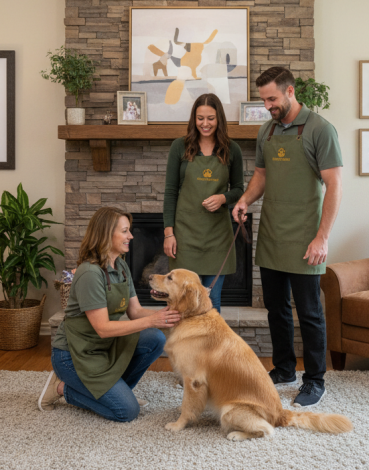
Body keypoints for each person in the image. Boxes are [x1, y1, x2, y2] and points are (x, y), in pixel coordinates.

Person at [232, 66, 343, 407]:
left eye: (272, 98)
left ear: (290, 91)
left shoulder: (320, 129)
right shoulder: (266, 131)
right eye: (264, 99)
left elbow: (335, 185)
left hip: (306, 239)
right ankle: (283, 369)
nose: (268, 105)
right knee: (275, 308)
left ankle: (314, 380)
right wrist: (244, 200)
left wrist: (322, 238)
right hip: (271, 235)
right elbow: (262, 175)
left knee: (308, 312)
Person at [38, 207, 181, 421]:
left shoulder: (121, 265)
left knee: (155, 338)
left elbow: (135, 312)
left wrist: (164, 315)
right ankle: (61, 388)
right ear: (106, 234)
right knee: (127, 411)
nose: (131, 236)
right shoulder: (90, 273)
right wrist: (152, 321)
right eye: (125, 231)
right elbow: (103, 329)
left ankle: (116, 391)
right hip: (74, 356)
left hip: (104, 348)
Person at [163, 93, 245, 312]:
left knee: (211, 302)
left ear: (219, 119)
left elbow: (239, 190)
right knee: (182, 302)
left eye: (211, 118)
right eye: (200, 118)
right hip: (185, 237)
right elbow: (170, 192)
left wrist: (223, 198)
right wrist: (169, 234)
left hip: (218, 237)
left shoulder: (232, 149)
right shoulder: (179, 147)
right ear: (194, 118)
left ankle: (210, 346)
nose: (205, 124)